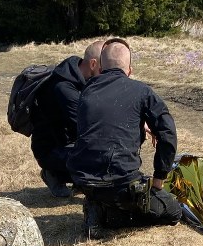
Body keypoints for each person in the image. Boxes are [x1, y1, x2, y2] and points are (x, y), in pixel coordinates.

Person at [66, 38, 181, 235]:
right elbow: (168, 133)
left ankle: (97, 204)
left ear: (100, 66)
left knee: (107, 187)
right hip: (120, 182)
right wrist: (159, 178)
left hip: (83, 180)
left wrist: (139, 123)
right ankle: (107, 216)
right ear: (129, 69)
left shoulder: (86, 92)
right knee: (173, 211)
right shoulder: (142, 91)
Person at [30, 40, 105, 197]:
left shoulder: (79, 76)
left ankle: (77, 178)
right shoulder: (63, 88)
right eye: (105, 68)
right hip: (51, 150)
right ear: (93, 64)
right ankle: (54, 173)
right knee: (101, 156)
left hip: (68, 141)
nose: (108, 74)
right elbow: (87, 126)